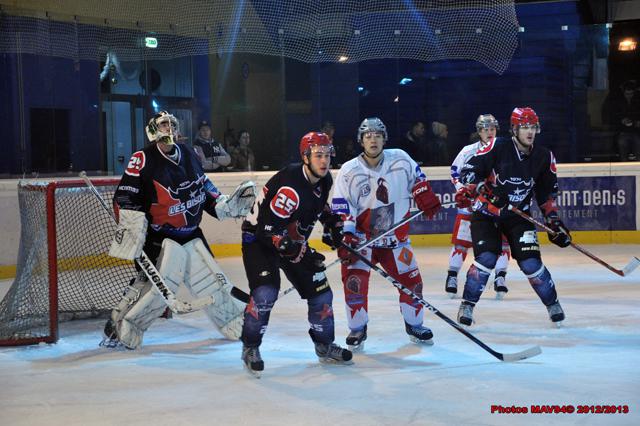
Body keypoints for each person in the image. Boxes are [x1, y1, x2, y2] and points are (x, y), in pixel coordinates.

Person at [103, 111, 256, 349]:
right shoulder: (142, 159)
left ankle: (234, 321)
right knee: (157, 291)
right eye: (164, 125)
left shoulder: (188, 153)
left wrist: (223, 205)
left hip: (192, 232)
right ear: (153, 130)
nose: (169, 130)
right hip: (159, 237)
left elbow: (203, 186)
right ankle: (122, 325)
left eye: (172, 125)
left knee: (212, 282)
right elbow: (125, 196)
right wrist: (133, 228)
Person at [239, 131, 352, 376]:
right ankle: (250, 346)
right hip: (258, 240)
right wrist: (300, 252)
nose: (324, 161)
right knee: (266, 293)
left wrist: (332, 223)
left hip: (287, 240)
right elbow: (269, 232)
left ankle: (324, 345)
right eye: (318, 155)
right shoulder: (290, 187)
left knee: (321, 294)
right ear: (305, 157)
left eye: (327, 155)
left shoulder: (324, 180)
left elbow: (319, 206)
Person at [331, 117, 442, 351]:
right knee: (354, 283)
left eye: (378, 135)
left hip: (396, 239)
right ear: (361, 140)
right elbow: (342, 207)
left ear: (385, 139)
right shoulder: (349, 171)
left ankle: (414, 324)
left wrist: (424, 193)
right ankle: (358, 327)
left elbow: (418, 179)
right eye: (368, 135)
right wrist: (347, 235)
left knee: (412, 283)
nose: (373, 139)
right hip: (362, 241)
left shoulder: (400, 158)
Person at [455, 107, 570, 327]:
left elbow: (546, 195)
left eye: (533, 127)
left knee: (530, 263)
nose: (530, 132)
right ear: (514, 129)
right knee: (486, 259)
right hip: (486, 214)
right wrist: (484, 190)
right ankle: (467, 304)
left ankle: (552, 303)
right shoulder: (497, 146)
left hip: (518, 216)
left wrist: (554, 221)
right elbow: (469, 172)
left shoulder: (544, 156)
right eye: (524, 127)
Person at [447, 114, 511, 299]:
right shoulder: (468, 150)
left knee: (503, 243)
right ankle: (452, 276)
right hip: (471, 205)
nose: (489, 132)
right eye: (485, 129)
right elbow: (455, 172)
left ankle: (500, 278)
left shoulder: (506, 150)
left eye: (492, 129)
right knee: (462, 242)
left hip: (496, 205)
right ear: (479, 131)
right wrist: (462, 190)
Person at [613, 81, 640, 161]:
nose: (629, 96)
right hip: (622, 132)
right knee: (622, 146)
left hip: (636, 131)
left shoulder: (637, 102)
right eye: (627, 94)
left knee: (638, 147)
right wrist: (622, 120)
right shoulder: (618, 102)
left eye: (631, 94)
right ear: (623, 93)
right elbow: (613, 115)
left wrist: (637, 122)